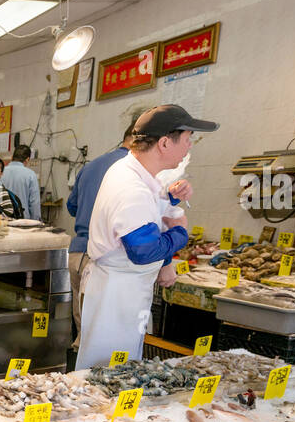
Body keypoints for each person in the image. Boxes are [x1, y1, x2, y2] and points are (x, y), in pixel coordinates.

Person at [75, 104, 216, 370]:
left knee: (121, 367)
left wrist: (170, 198)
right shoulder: (132, 187)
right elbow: (144, 251)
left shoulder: (135, 175)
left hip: (123, 290)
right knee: (107, 372)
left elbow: (143, 216)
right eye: (187, 140)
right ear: (164, 143)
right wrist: (181, 233)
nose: (189, 147)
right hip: (116, 296)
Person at [66, 116, 139, 347]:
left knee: (83, 333)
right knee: (103, 339)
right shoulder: (133, 169)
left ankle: (78, 380)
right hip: (105, 261)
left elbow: (72, 206)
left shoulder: (92, 165)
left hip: (78, 254)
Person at [0, 145, 41, 222]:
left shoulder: (0, 172)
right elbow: (34, 203)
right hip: (23, 222)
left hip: (3, 220)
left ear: (12, 157)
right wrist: (36, 222)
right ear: (27, 159)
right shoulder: (31, 175)